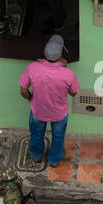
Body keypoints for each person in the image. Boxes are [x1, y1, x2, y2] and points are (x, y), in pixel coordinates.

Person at [20, 35, 79, 166]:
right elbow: (74, 92)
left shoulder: (33, 67)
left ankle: (36, 156)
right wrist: (63, 69)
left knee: (36, 133)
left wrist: (31, 98)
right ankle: (54, 160)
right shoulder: (68, 73)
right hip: (59, 113)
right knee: (58, 137)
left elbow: (23, 90)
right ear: (61, 53)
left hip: (38, 111)